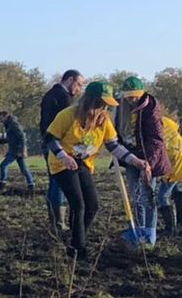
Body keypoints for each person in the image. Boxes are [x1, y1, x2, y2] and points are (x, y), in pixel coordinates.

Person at [45, 81, 150, 259]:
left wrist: (136, 161)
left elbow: (114, 146)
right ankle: (79, 249)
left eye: (106, 105)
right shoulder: (68, 115)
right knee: (78, 205)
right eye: (102, 104)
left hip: (85, 164)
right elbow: (50, 139)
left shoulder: (104, 120)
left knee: (92, 206)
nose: (104, 109)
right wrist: (64, 156)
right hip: (62, 164)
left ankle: (76, 238)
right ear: (91, 101)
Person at [114, 77, 171, 246]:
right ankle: (139, 232)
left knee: (147, 196)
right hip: (130, 157)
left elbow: (156, 140)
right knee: (136, 196)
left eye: (134, 97)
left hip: (149, 158)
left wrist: (148, 165)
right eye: (128, 97)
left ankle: (150, 236)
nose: (132, 100)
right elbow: (116, 132)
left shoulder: (150, 109)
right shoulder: (119, 108)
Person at [39, 70, 84, 232]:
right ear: (70, 80)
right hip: (56, 145)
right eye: (78, 84)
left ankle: (57, 221)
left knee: (55, 181)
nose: (79, 89)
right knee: (58, 182)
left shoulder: (52, 95)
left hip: (51, 143)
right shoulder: (63, 98)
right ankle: (58, 222)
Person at [154, 112, 182, 236]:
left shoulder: (153, 131)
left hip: (176, 163)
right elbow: (176, 127)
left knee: (162, 196)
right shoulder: (164, 121)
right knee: (176, 188)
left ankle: (170, 229)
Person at [0, 111, 34, 193]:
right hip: (14, 150)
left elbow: (22, 137)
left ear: (6, 116)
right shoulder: (8, 125)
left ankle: (1, 185)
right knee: (24, 169)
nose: (0, 121)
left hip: (16, 151)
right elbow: (11, 139)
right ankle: (31, 185)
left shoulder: (14, 124)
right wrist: (0, 141)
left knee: (3, 165)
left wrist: (23, 150)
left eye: (1, 118)